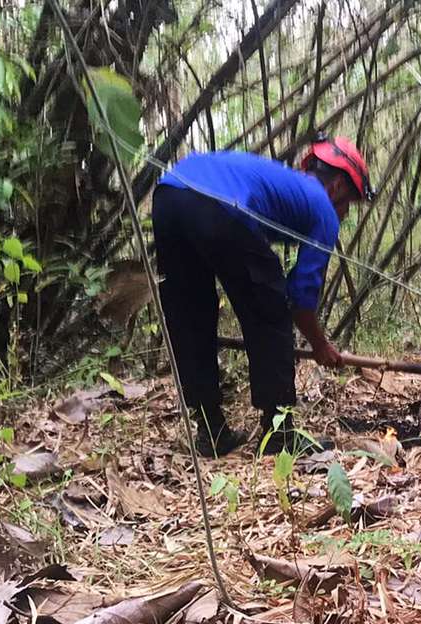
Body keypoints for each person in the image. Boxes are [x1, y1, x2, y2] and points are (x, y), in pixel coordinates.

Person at [152, 135, 374, 457]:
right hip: (219, 204)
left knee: (190, 316)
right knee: (270, 308)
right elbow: (300, 298)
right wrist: (320, 345)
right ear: (337, 187)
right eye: (348, 206)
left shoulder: (285, 184)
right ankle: (279, 435)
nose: (344, 215)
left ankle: (211, 432)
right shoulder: (322, 206)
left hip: (169, 193)